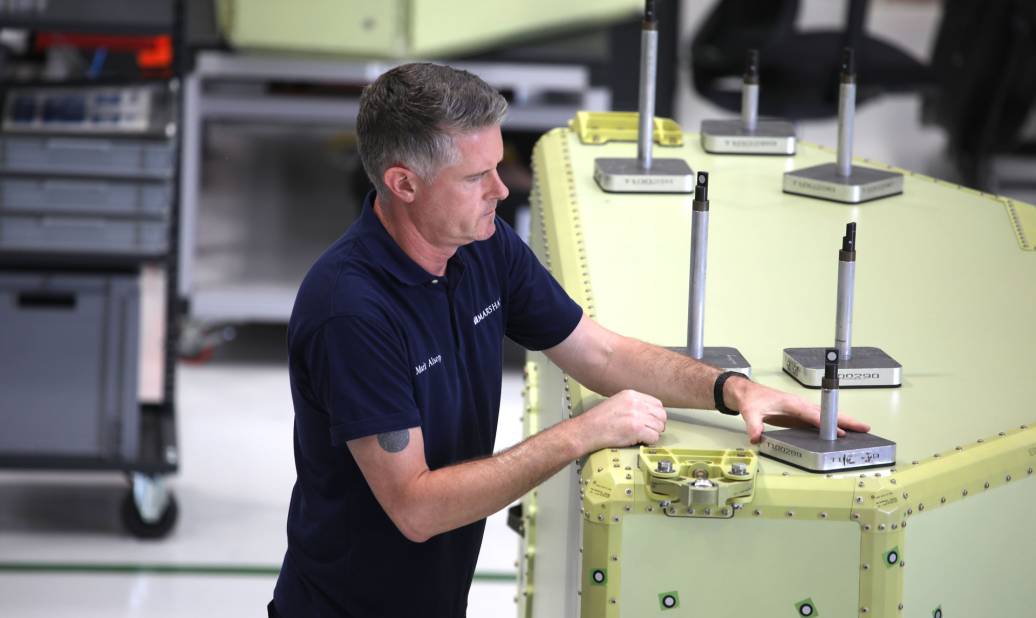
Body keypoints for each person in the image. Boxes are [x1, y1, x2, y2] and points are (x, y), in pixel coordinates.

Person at [270, 62, 868, 617]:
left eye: (498, 166)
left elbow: (599, 353)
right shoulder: (351, 314)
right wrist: (583, 432)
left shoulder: (481, 247)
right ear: (403, 183)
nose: (501, 190)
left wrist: (732, 390)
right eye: (476, 177)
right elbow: (417, 507)